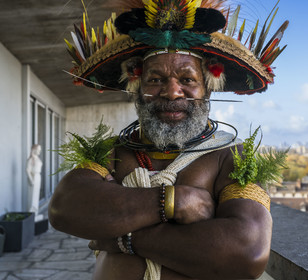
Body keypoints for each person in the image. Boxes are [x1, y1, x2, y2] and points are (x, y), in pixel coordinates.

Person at [49, 1, 288, 279]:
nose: (172, 92)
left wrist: (124, 240)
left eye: (187, 79)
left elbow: (247, 252)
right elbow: (65, 207)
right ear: (137, 88)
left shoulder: (229, 156)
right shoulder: (112, 152)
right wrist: (174, 201)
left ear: (207, 90)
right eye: (156, 80)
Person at [27, 144, 43, 218]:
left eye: (40, 149)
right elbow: (27, 170)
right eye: (38, 149)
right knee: (32, 197)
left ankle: (35, 214)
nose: (39, 151)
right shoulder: (31, 159)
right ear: (34, 149)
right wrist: (31, 180)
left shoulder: (37, 158)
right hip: (33, 177)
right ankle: (32, 214)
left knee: (36, 196)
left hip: (38, 176)